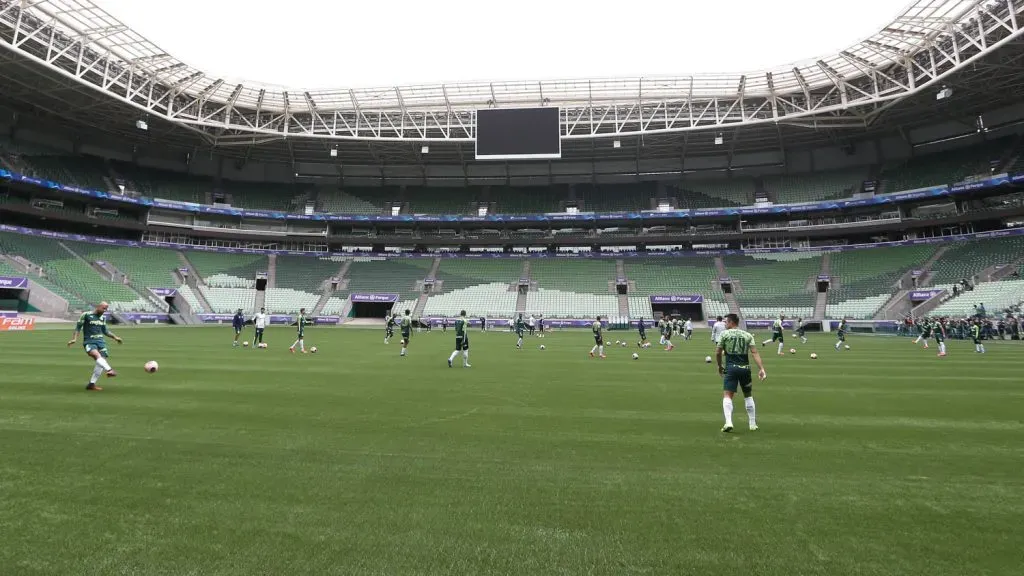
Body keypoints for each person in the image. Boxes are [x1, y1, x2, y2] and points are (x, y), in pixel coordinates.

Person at [715, 313, 766, 433]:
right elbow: (754, 353)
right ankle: (752, 424)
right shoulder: (747, 335)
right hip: (745, 369)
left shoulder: (724, 334)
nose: (725, 324)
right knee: (748, 395)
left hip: (731, 368)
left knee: (727, 395)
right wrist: (761, 368)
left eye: (726, 322)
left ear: (731, 322)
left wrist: (719, 365)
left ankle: (728, 422)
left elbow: (718, 352)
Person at [67, 302, 122, 391]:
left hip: (101, 342)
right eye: (104, 308)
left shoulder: (103, 318)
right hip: (89, 341)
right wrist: (74, 339)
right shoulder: (86, 315)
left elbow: (105, 331)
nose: (105, 310)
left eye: (106, 309)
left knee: (100, 363)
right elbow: (78, 328)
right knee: (97, 356)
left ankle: (91, 384)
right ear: (98, 307)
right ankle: (109, 370)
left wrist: (115, 337)